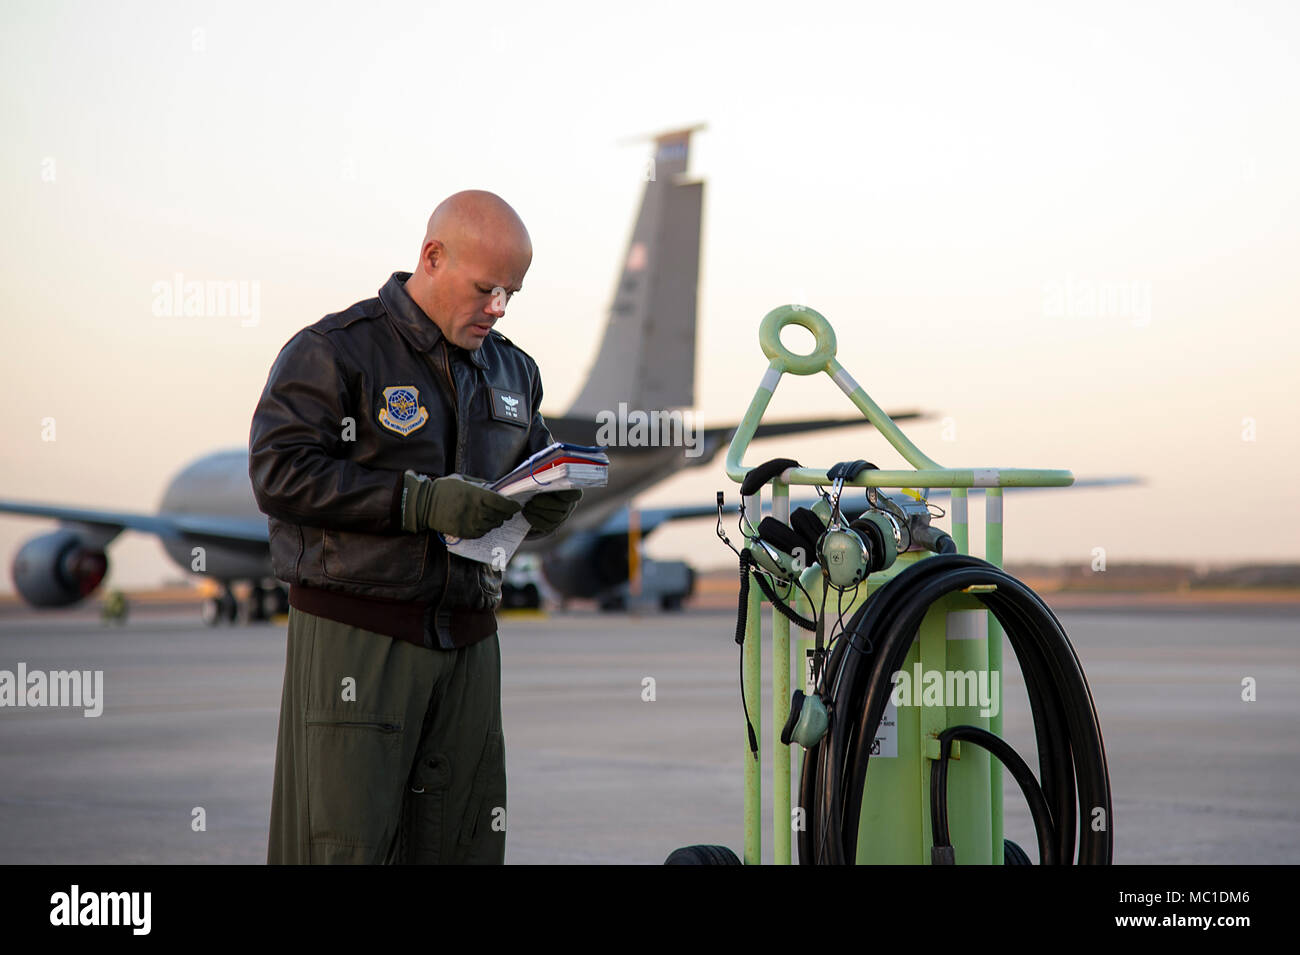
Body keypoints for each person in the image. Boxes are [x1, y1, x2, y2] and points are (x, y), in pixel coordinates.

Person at [249, 190, 581, 864]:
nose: (498, 308)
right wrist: (417, 502)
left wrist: (552, 499)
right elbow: (279, 471)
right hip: (360, 637)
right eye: (486, 288)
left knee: (466, 842)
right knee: (344, 842)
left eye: (511, 293)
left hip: (470, 640)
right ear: (432, 257)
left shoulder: (513, 370)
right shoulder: (336, 351)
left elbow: (538, 465)